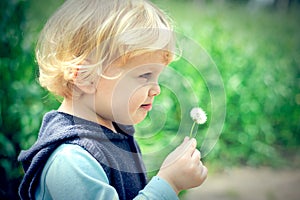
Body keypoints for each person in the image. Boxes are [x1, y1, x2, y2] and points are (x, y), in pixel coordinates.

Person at [18, 0, 208, 199]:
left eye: (157, 77)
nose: (157, 90)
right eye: (145, 75)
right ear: (86, 77)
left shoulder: (114, 131)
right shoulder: (72, 160)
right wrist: (170, 183)